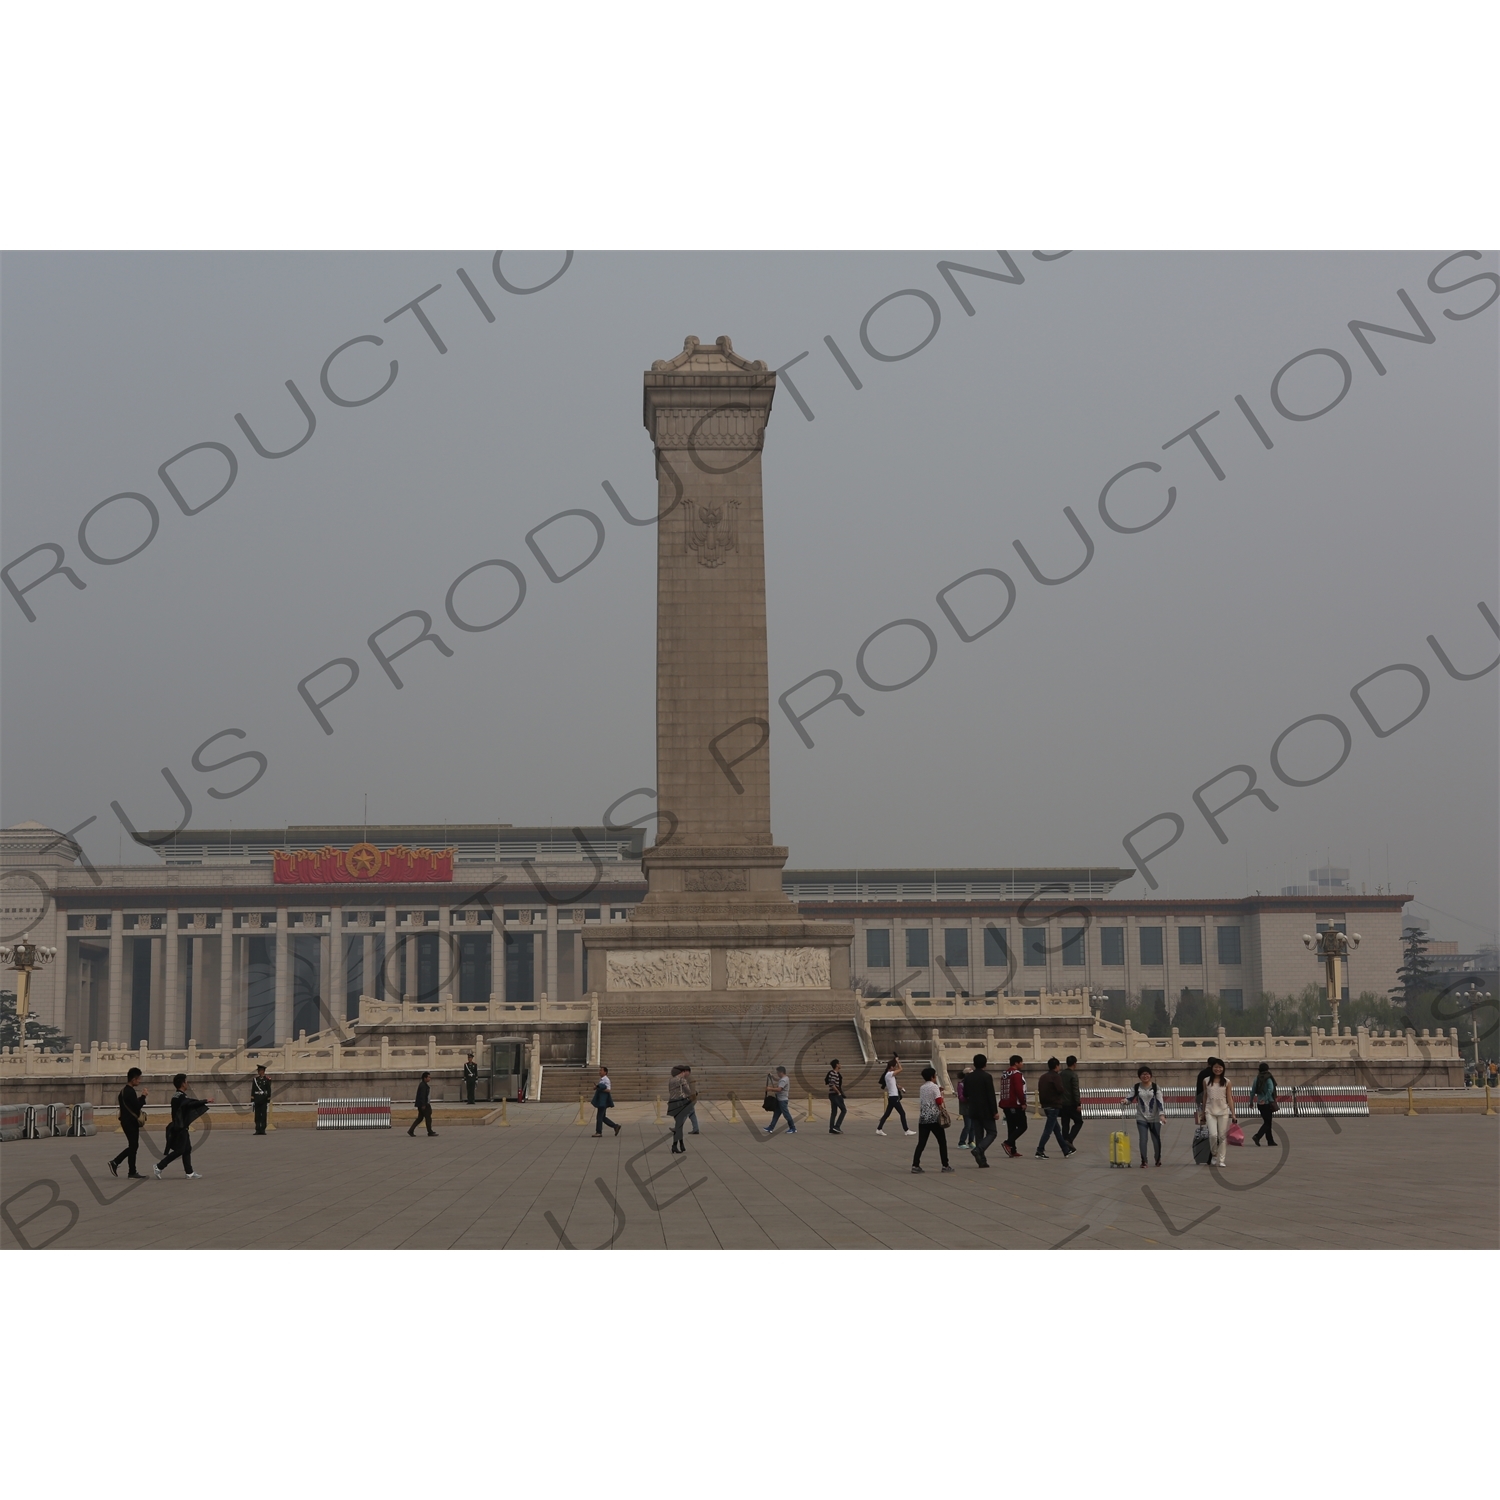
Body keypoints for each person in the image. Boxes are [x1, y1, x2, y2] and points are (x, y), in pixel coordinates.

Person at [153, 1074, 211, 1178]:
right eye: (186, 1081)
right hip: (179, 1127)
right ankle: (159, 1166)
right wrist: (205, 1101)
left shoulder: (177, 1095)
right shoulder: (180, 1096)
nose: (187, 1083)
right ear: (183, 1083)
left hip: (179, 1126)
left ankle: (189, 1172)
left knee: (187, 1149)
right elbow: (190, 1104)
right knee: (180, 1150)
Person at [910, 1066, 954, 1172]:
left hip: (923, 1118)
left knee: (921, 1143)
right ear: (932, 1076)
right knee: (942, 1142)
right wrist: (941, 1094)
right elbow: (938, 1101)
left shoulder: (922, 1087)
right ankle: (945, 1165)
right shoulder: (934, 1086)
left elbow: (928, 1097)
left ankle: (915, 1165)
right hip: (934, 1118)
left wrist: (937, 1091)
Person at [107, 1067, 147, 1178]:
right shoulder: (130, 1092)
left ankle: (131, 1170)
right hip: (131, 1123)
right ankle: (117, 1162)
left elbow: (131, 1105)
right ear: (133, 1079)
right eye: (138, 1079)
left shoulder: (124, 1091)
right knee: (134, 1145)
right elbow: (137, 1106)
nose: (139, 1081)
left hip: (126, 1121)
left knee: (133, 1145)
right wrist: (143, 1096)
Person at [1198, 1058, 1237, 1167]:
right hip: (1210, 1111)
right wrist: (1202, 1112)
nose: (1218, 1069)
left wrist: (1233, 1113)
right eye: (1216, 1067)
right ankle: (1214, 1155)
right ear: (1212, 1068)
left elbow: (1229, 1098)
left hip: (1223, 1111)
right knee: (1213, 1135)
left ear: (1223, 1068)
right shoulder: (1206, 1081)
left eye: (1220, 1067)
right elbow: (1205, 1096)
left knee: (1222, 1136)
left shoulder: (1227, 1082)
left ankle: (1221, 1159)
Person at [1035, 1056, 1075, 1158]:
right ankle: (1040, 1150)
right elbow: (1060, 1089)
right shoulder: (1056, 1076)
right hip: (1054, 1105)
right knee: (1048, 1130)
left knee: (1057, 1130)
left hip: (1045, 1105)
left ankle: (1065, 1150)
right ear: (1056, 1066)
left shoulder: (1043, 1077)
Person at [1127, 1065, 1165, 1167]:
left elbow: (1160, 1101)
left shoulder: (1156, 1087)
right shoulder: (1136, 1087)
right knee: (1143, 1139)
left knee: (1156, 1139)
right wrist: (1125, 1101)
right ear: (1140, 1076)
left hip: (1155, 1118)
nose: (1145, 1076)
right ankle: (1144, 1161)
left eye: (1147, 1074)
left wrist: (1162, 1115)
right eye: (1143, 1074)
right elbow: (1129, 1098)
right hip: (1141, 1117)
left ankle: (1157, 1159)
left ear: (1150, 1075)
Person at [964, 1054, 998, 1166]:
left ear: (974, 1064)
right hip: (986, 1110)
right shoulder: (987, 1076)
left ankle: (982, 1161)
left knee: (979, 1135)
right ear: (985, 1064)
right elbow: (991, 1096)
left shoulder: (968, 1077)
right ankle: (979, 1150)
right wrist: (995, 1111)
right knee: (992, 1132)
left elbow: (965, 1094)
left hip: (973, 1109)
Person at [999, 1055, 1028, 1158]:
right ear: (1016, 1063)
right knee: (1022, 1126)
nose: (1022, 1064)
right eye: (1021, 1062)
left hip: (1006, 1103)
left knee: (1011, 1127)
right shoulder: (1016, 1074)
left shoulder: (1005, 1074)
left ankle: (1012, 1150)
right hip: (1015, 1104)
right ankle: (1008, 1143)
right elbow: (1018, 1090)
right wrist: (1023, 1102)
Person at [877, 1054, 913, 1136]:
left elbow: (893, 1085)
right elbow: (901, 1069)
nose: (896, 1068)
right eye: (895, 1066)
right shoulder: (890, 1074)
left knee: (887, 1114)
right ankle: (906, 1130)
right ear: (891, 1067)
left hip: (892, 1096)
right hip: (893, 1097)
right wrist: (897, 1061)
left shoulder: (888, 1075)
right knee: (902, 1113)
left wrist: (900, 1087)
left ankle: (879, 1128)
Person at [667, 1064, 698, 1153]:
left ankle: (681, 1145)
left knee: (678, 1125)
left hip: (672, 1103)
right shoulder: (681, 1079)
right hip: (680, 1103)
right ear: (682, 1072)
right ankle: (674, 1146)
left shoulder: (671, 1080)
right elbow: (688, 1091)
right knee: (679, 1126)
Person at [1250, 1062, 1278, 1146]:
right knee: (1267, 1122)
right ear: (1267, 1069)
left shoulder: (1257, 1078)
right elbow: (1270, 1089)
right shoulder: (1268, 1078)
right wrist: (1265, 1099)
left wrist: (1251, 1101)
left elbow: (1253, 1091)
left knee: (1267, 1121)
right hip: (1267, 1103)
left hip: (1259, 1103)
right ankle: (1257, 1136)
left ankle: (1270, 1140)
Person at [764, 1066, 797, 1134]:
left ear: (781, 1072)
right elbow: (777, 1079)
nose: (777, 1074)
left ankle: (793, 1128)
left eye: (778, 1072)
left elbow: (779, 1089)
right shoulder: (784, 1078)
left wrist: (770, 1089)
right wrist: (772, 1076)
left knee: (786, 1114)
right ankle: (771, 1127)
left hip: (782, 1100)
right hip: (780, 1100)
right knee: (776, 1114)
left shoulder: (783, 1080)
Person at [591, 1066, 621, 1136]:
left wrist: (600, 1089)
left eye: (601, 1070)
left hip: (603, 1101)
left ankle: (599, 1132)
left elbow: (608, 1090)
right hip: (601, 1100)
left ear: (605, 1072)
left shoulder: (606, 1080)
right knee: (602, 1117)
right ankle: (615, 1126)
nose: (599, 1072)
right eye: (599, 1070)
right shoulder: (602, 1079)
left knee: (599, 1117)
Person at [1062, 1055, 1084, 1148]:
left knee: (1065, 1124)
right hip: (1071, 1103)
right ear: (1074, 1064)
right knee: (1079, 1121)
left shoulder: (1061, 1074)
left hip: (1062, 1103)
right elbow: (1075, 1090)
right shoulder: (1073, 1075)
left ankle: (1064, 1143)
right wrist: (1078, 1104)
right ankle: (1069, 1139)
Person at [408, 1072, 437, 1136]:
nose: (430, 1078)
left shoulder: (424, 1085)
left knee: (420, 1118)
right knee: (428, 1118)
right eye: (428, 1077)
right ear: (425, 1078)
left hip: (423, 1104)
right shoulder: (423, 1086)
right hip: (424, 1105)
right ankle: (430, 1131)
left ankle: (411, 1130)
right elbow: (422, 1096)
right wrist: (424, 1105)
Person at [824, 1059, 847, 1134]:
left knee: (834, 1112)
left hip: (832, 1094)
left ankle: (831, 1128)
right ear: (837, 1065)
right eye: (839, 1063)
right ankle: (837, 1126)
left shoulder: (833, 1073)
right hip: (835, 1095)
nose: (840, 1065)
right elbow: (832, 1084)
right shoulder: (834, 1073)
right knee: (843, 1110)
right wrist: (838, 1092)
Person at [250, 1064, 271, 1135]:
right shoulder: (255, 1080)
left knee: (263, 1115)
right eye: (258, 1071)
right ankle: (258, 1129)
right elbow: (253, 1090)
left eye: (260, 1071)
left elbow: (268, 1090)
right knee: (257, 1115)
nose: (259, 1072)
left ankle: (263, 1129)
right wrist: (252, 1100)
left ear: (263, 1071)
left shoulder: (267, 1080)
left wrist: (268, 1100)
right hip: (257, 1099)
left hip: (263, 1099)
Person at [955, 1065, 972, 1149]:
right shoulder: (961, 1084)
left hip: (973, 1107)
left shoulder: (973, 1083)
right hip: (966, 1107)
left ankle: (971, 1141)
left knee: (973, 1126)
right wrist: (968, 1098)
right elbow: (961, 1097)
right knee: (968, 1125)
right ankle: (961, 1142)